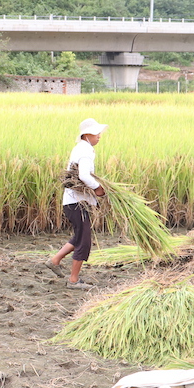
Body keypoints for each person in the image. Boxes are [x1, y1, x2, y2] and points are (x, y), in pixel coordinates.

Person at [46, 118, 107, 290]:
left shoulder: (81, 148)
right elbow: (84, 176)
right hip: (76, 203)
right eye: (96, 133)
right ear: (86, 134)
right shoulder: (85, 150)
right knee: (84, 242)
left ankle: (55, 260)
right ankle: (73, 280)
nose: (99, 136)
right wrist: (98, 189)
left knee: (79, 236)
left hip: (74, 202)